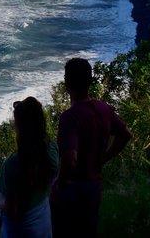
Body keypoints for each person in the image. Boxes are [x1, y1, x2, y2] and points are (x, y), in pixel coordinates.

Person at [51, 57, 132, 238]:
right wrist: (103, 158)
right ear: (90, 81)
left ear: (66, 83)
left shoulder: (69, 117)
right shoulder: (102, 108)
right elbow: (125, 134)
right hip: (94, 185)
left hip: (73, 189)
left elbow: (70, 159)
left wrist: (59, 185)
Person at [0, 96, 59, 237]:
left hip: (21, 228)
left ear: (19, 127)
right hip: (43, 219)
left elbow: (11, 210)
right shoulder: (52, 149)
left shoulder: (12, 164)